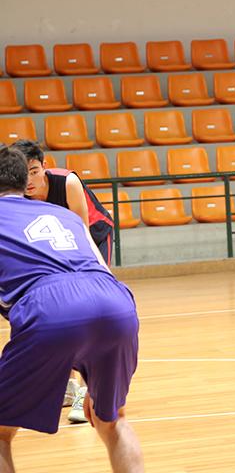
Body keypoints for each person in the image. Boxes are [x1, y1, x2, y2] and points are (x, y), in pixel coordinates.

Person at [0, 146, 143, 472]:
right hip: (116, 303)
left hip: (50, 307)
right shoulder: (63, 214)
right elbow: (101, 265)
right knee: (112, 421)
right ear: (24, 182)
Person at [7, 139, 115, 424]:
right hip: (53, 250)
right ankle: (68, 386)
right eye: (24, 173)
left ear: (44, 166)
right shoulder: (18, 195)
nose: (29, 180)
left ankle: (88, 390)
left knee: (84, 306)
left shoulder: (67, 183)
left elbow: (81, 233)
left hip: (91, 237)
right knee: (61, 309)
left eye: (34, 171)